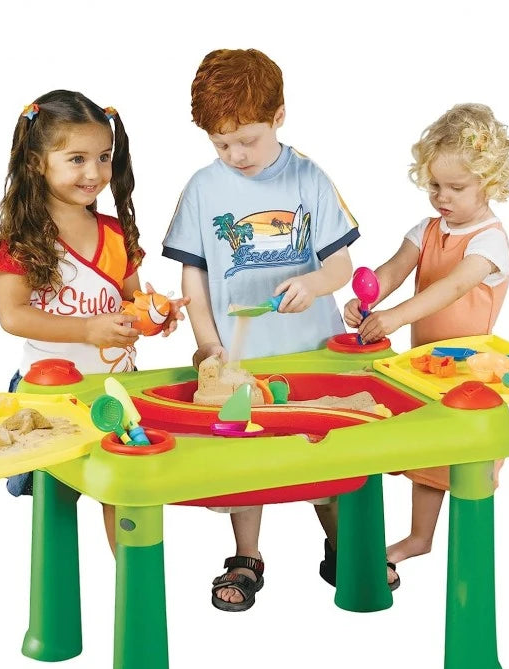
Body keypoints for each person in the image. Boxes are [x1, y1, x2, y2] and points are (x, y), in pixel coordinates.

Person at [162, 49, 357, 611]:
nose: (235, 155)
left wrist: (314, 284)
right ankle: (246, 556)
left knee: (325, 453)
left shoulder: (308, 178)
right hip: (239, 358)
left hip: (309, 352)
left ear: (278, 117)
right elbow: (193, 274)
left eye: (246, 140)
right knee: (243, 455)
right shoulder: (204, 187)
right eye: (221, 144)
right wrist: (207, 341)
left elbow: (341, 266)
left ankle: (343, 547)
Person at [0, 89, 188, 551]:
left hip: (117, 392)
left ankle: (130, 580)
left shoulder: (115, 234)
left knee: (125, 488)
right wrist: (86, 330)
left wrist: (156, 313)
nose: (94, 172)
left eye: (103, 157)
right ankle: (56, 591)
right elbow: (12, 315)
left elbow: (132, 300)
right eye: (76, 159)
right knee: (58, 495)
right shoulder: (22, 240)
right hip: (52, 396)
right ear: (36, 163)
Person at [341, 102, 509, 587]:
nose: (442, 197)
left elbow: (452, 288)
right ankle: (419, 538)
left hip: (470, 378)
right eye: (435, 185)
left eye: (456, 188)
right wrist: (366, 300)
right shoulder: (426, 229)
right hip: (424, 371)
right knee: (425, 459)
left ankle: (466, 568)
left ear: (489, 181)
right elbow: (393, 271)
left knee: (460, 462)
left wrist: (394, 317)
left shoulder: (489, 242)